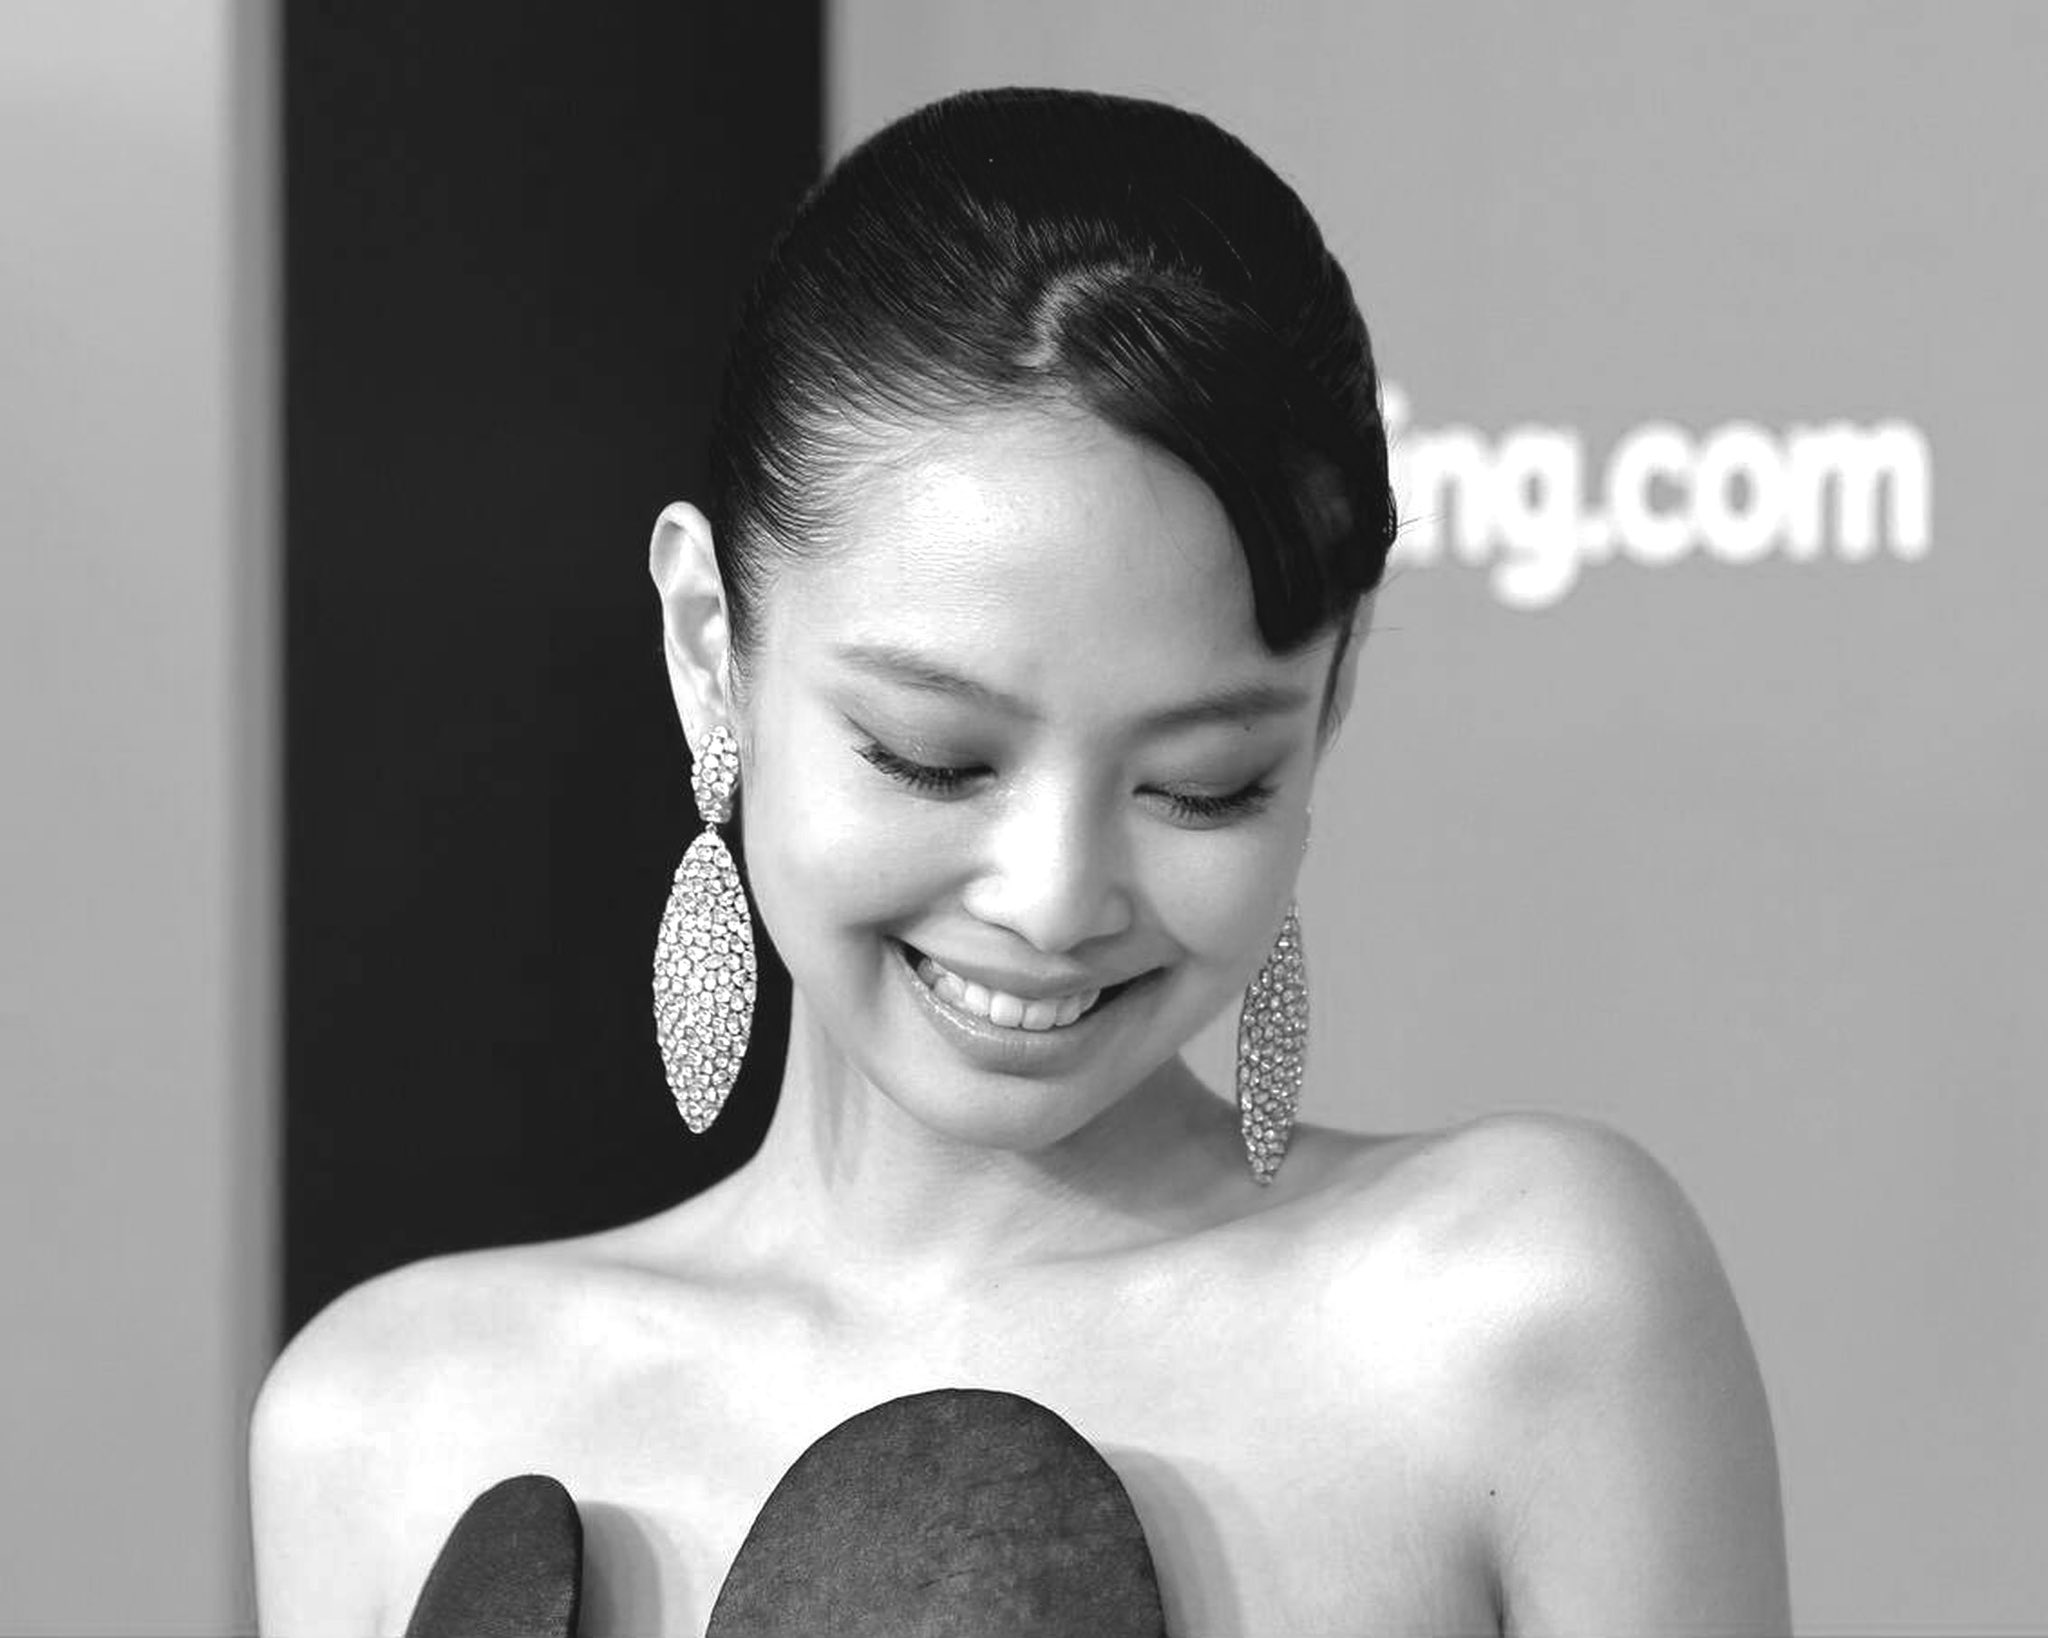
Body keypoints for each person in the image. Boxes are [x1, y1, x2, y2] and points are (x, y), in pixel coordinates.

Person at [250, 87, 1791, 1634]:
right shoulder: (388, 1424)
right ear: (710, 647)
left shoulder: (1526, 1316)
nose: (1055, 899)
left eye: (1202, 783)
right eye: (934, 753)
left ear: (1330, 700)